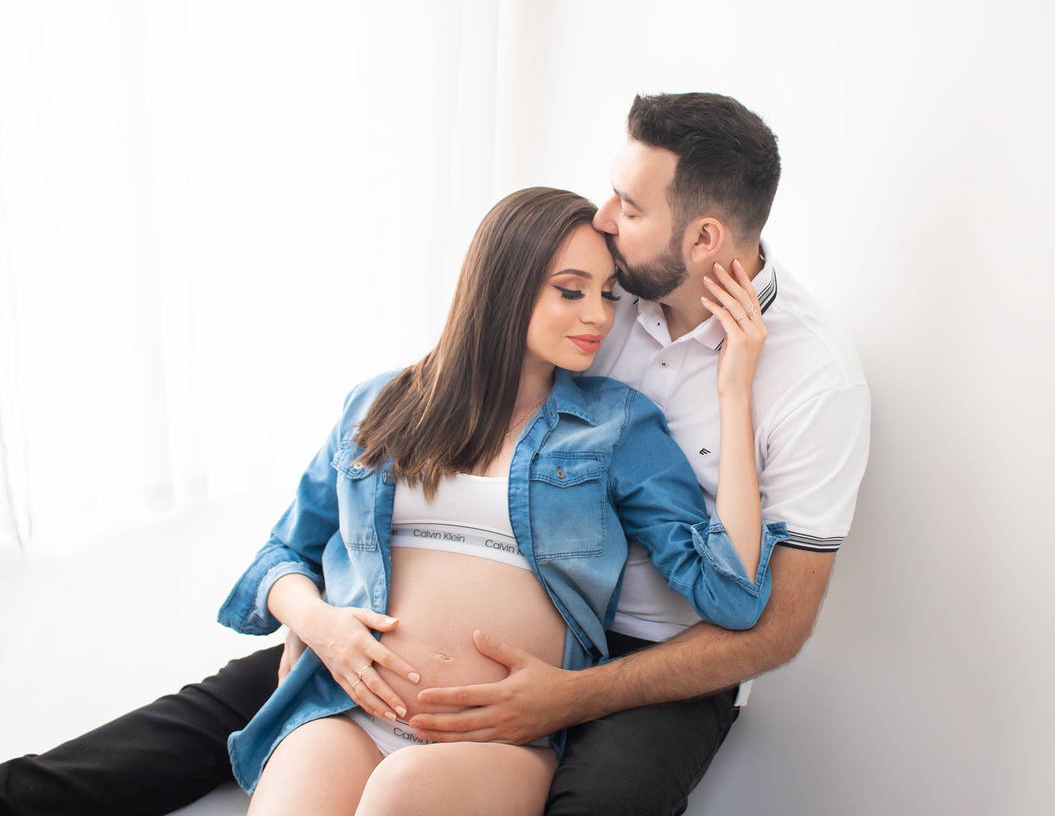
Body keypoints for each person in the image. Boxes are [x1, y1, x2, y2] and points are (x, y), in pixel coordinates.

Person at [0, 92, 870, 816]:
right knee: (218, 715)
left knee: (600, 801)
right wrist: (322, 622)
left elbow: (767, 622)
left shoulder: (802, 382)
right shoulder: (603, 304)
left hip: (648, 657)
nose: (605, 226)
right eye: (577, 282)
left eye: (629, 210)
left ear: (706, 239)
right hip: (387, 652)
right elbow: (437, 420)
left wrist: (570, 696)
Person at [221, 185, 780, 816]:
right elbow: (282, 555)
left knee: (402, 795)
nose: (598, 315)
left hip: (498, 742)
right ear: (502, 286)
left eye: (607, 294)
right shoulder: (381, 404)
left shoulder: (617, 426)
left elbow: (730, 594)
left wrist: (735, 391)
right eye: (571, 291)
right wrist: (318, 624)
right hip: (346, 712)